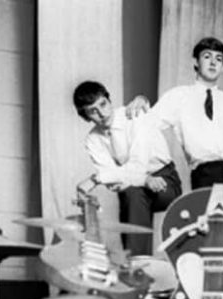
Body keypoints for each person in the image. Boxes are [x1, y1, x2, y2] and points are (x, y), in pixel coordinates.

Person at [127, 37, 223, 191]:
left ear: (222, 67)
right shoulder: (179, 96)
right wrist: (142, 101)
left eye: (219, 59)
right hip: (206, 173)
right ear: (196, 62)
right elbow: (149, 122)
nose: (213, 62)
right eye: (207, 56)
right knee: (206, 215)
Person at [73, 80, 182, 256]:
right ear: (85, 117)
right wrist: (141, 180)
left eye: (103, 104)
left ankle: (135, 264)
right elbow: (113, 181)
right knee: (132, 196)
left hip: (164, 181)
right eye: (93, 111)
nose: (101, 113)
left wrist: (96, 179)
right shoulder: (92, 140)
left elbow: (136, 165)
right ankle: (137, 265)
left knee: (131, 196)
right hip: (134, 190)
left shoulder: (133, 115)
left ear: (109, 100)